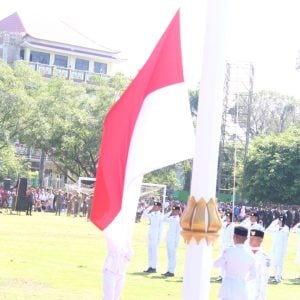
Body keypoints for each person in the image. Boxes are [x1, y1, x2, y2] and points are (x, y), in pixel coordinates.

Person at [214, 226, 256, 300]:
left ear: (234, 236)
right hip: (242, 287)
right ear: (246, 239)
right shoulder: (250, 254)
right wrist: (242, 279)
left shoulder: (229, 251)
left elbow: (216, 264)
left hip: (228, 286)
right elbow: (253, 275)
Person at [266, 215, 289, 283]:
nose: (280, 221)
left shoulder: (286, 228)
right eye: (279, 220)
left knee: (280, 263)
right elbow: (267, 230)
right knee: (274, 263)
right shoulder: (275, 227)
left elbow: (286, 240)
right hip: (274, 248)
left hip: (281, 248)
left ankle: (279, 277)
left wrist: (285, 251)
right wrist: (274, 222)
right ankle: (275, 275)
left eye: (281, 220)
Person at [248, 229, 271, 300]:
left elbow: (264, 277)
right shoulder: (243, 252)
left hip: (256, 289)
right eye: (250, 238)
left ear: (260, 240)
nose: (250, 240)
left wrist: (262, 296)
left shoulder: (265, 257)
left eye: (253, 239)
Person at [142, 201, 164, 273]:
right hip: (150, 235)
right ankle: (150, 266)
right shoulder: (152, 214)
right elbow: (144, 216)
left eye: (156, 206)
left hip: (156, 235)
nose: (155, 207)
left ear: (160, 208)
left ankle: (154, 267)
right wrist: (149, 208)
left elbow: (161, 228)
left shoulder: (161, 216)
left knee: (154, 252)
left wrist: (159, 238)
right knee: (150, 251)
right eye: (154, 206)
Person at [161, 205, 181, 277]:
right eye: (173, 210)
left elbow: (178, 232)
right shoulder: (171, 218)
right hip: (169, 239)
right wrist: (170, 212)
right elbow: (163, 219)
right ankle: (169, 270)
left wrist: (176, 242)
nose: (174, 212)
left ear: (178, 211)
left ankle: (172, 271)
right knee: (169, 256)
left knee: (173, 256)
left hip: (174, 240)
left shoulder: (179, 220)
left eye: (175, 210)